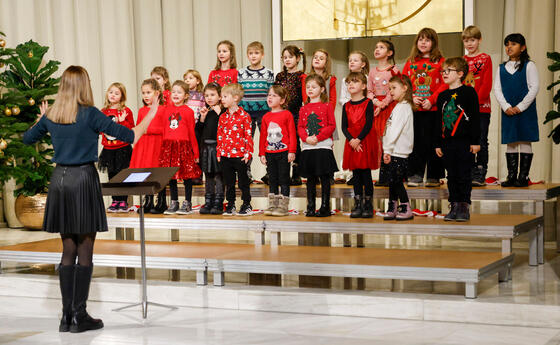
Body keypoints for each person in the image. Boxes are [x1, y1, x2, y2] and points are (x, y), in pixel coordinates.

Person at [22, 65, 159, 333]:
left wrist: (41, 120)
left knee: (67, 249)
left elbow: (28, 138)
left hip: (60, 181)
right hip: (83, 179)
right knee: (84, 248)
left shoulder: (53, 114)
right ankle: (79, 316)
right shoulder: (90, 114)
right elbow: (130, 135)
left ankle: (66, 317)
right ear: (85, 85)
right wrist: (151, 114)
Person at [435, 57, 481, 221]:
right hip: (447, 142)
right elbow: (438, 120)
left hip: (465, 142)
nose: (444, 73)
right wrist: (437, 144)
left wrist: (476, 141)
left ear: (460, 74)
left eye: (448, 71)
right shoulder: (442, 96)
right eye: (443, 71)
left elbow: (475, 118)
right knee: (451, 175)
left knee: (464, 174)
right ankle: (454, 204)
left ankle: (464, 206)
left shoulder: (469, 92)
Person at [402, 27, 447, 187]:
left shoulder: (441, 62)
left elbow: (444, 84)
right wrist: (412, 97)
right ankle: (415, 174)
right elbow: (404, 83)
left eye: (427, 40)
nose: (423, 42)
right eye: (420, 39)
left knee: (434, 142)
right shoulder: (410, 62)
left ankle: (434, 176)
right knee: (416, 142)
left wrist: (432, 99)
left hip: (433, 110)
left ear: (433, 43)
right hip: (414, 109)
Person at [493, 33, 539, 187]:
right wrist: (506, 106)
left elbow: (534, 88)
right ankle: (511, 176)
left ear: (523, 47)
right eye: (507, 44)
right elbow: (497, 90)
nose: (509, 47)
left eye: (513, 44)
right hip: (508, 110)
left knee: (525, 139)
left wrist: (520, 107)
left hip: (525, 110)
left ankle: (523, 176)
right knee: (511, 141)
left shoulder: (529, 65)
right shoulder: (501, 68)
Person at [298, 74, 338, 217]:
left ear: (322, 89)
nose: (310, 89)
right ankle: (310, 206)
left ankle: (325, 206)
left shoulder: (327, 106)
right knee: (310, 178)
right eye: (308, 87)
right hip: (309, 147)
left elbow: (331, 125)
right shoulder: (303, 108)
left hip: (323, 146)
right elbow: (301, 127)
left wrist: (318, 137)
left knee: (324, 177)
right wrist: (306, 138)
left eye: (313, 87)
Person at [159, 80, 201, 215]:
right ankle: (174, 201)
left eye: (179, 92)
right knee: (171, 176)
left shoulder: (188, 112)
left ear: (186, 96)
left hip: (183, 146)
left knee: (187, 175)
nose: (175, 94)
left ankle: (187, 202)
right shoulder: (166, 110)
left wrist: (195, 153)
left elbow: (191, 132)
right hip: (169, 146)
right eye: (174, 92)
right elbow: (164, 130)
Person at [342, 72, 379, 218]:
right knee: (356, 174)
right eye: (349, 82)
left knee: (365, 173)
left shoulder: (368, 103)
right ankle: (357, 203)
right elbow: (344, 127)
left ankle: (368, 204)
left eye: (355, 82)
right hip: (351, 143)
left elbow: (369, 123)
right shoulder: (346, 105)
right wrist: (352, 140)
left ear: (363, 86)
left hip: (364, 141)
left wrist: (358, 139)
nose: (351, 84)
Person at [238, 41, 275, 183]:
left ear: (262, 54)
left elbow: (271, 93)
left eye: (256, 53)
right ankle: (246, 172)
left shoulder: (269, 73)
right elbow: (239, 93)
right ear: (247, 55)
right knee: (247, 142)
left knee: (268, 141)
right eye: (251, 53)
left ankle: (270, 171)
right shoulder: (241, 73)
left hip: (264, 112)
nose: (253, 56)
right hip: (246, 112)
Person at [129, 79, 167, 213]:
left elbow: (166, 129)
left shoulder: (163, 109)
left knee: (158, 173)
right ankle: (148, 200)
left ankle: (161, 201)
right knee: (146, 173)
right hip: (144, 146)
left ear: (157, 93)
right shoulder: (141, 111)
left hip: (157, 145)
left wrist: (150, 131)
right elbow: (139, 127)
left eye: (149, 92)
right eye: (143, 93)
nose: (145, 95)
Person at [462, 25, 493, 186]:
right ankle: (469, 170)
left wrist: (473, 103)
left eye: (472, 40)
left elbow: (486, 85)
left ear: (479, 40)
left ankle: (480, 171)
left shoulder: (486, 58)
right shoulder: (462, 61)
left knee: (481, 140)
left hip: (481, 108)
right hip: (464, 110)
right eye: (466, 41)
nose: (469, 44)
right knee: (466, 140)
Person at [216, 83, 253, 216]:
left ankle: (246, 204)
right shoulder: (222, 117)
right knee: (229, 182)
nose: (222, 99)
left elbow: (248, 135)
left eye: (225, 96)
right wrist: (219, 151)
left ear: (235, 98)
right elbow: (219, 135)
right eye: (222, 97)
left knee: (243, 182)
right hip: (226, 155)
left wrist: (248, 152)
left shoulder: (244, 116)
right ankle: (230, 204)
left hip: (240, 155)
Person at [260, 85, 297, 216]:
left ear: (282, 100)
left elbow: (292, 134)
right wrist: (262, 153)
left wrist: (292, 151)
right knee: (272, 179)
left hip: (284, 152)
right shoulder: (265, 117)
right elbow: (263, 136)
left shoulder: (287, 115)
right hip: (270, 153)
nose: (270, 97)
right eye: (269, 95)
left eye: (274, 95)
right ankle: (272, 204)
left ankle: (283, 206)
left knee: (283, 178)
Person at [367, 39, 400, 187]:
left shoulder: (394, 70)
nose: (377, 49)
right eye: (376, 47)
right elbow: (368, 90)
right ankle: (383, 175)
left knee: (389, 138)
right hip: (376, 107)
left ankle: (394, 174)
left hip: (389, 107)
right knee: (378, 140)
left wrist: (384, 103)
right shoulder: (372, 71)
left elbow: (394, 89)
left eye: (381, 47)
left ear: (390, 53)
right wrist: (375, 102)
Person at [98, 82, 135, 212]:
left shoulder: (126, 111)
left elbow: (131, 131)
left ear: (122, 97)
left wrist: (122, 121)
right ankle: (115, 200)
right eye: (111, 92)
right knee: (112, 175)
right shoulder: (103, 112)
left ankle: (123, 200)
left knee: (123, 175)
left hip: (122, 149)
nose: (113, 95)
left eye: (117, 93)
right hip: (109, 149)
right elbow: (102, 129)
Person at [382, 75, 415, 221]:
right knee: (392, 180)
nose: (391, 92)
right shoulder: (399, 106)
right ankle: (392, 207)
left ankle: (406, 207)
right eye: (389, 89)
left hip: (398, 152)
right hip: (393, 150)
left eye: (394, 88)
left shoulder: (403, 107)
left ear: (405, 88)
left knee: (396, 181)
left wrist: (387, 149)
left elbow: (395, 130)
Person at [275, 45, 306, 186]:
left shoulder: (301, 76)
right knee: (282, 143)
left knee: (295, 143)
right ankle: (281, 173)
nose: (287, 60)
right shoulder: (280, 76)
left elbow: (301, 97)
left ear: (298, 58)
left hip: (295, 113)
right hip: (281, 114)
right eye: (285, 57)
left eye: (290, 57)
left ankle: (296, 172)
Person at [339, 50, 370, 185]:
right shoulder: (345, 80)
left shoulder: (367, 79)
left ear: (363, 64)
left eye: (355, 60)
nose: (351, 62)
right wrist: (351, 104)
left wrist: (359, 104)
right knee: (352, 154)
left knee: (363, 154)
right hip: (351, 115)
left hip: (363, 117)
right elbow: (342, 98)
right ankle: (352, 175)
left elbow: (369, 96)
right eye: (350, 60)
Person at [197, 83, 226, 215]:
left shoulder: (223, 112)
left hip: (218, 148)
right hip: (206, 148)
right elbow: (198, 132)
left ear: (220, 96)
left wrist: (220, 114)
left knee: (219, 176)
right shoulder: (205, 112)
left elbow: (227, 130)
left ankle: (219, 201)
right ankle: (208, 200)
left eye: (212, 95)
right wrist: (202, 119)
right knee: (208, 175)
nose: (209, 98)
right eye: (206, 95)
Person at [184, 69, 205, 185]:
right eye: (186, 78)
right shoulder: (184, 95)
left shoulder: (201, 95)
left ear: (198, 81)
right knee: (187, 152)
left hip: (197, 126)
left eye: (190, 78)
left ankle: (198, 174)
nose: (187, 80)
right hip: (186, 127)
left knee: (197, 151)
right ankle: (188, 173)